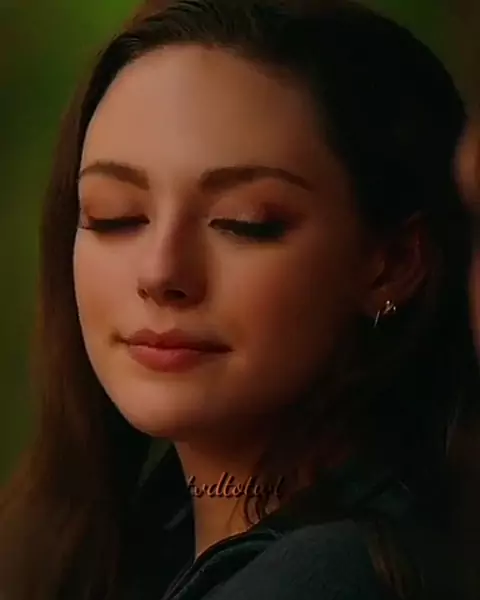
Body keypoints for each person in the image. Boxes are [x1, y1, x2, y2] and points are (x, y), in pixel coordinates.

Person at [0, 1, 478, 599]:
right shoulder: (127, 542)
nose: (161, 273)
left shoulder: (335, 576)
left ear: (393, 263)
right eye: (115, 216)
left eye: (244, 223)